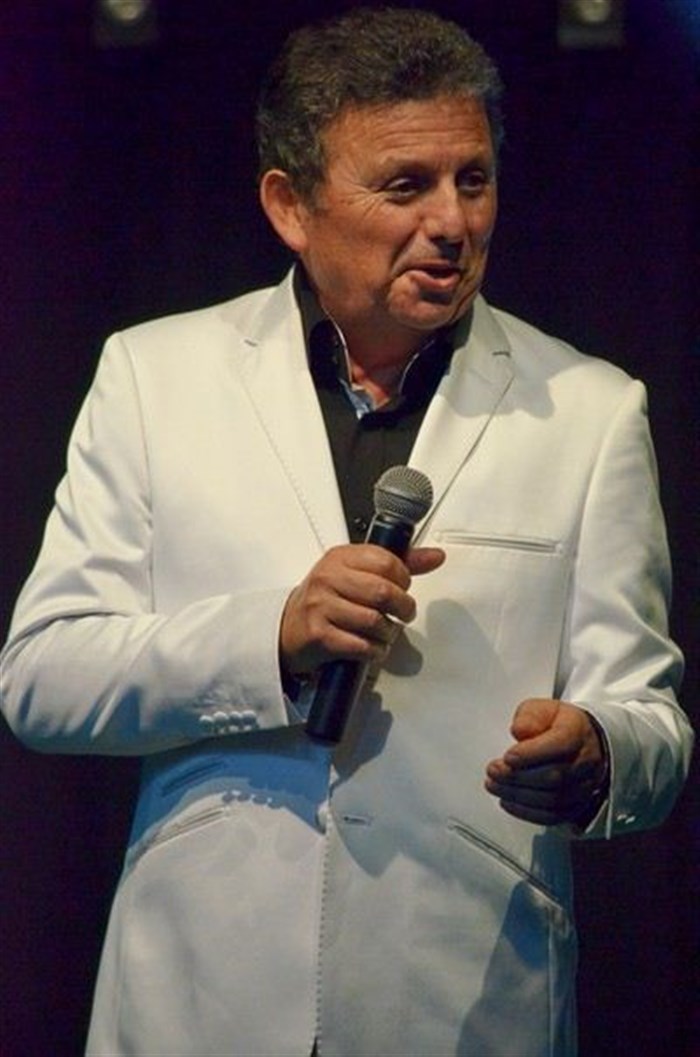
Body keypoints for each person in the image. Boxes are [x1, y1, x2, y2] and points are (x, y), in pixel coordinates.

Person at [0, 7, 693, 1056]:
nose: (452, 221)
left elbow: (650, 720)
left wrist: (598, 754)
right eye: (405, 186)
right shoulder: (155, 375)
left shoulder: (591, 410)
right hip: (201, 995)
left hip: (461, 1000)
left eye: (473, 178)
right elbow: (43, 677)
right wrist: (271, 636)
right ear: (291, 206)